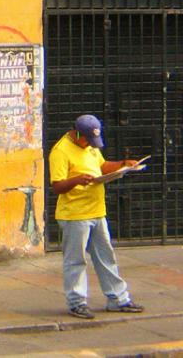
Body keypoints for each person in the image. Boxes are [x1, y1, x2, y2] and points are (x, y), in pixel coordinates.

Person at [49, 114, 144, 319]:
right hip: (75, 215)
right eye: (87, 141)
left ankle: (118, 299)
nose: (90, 145)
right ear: (77, 134)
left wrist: (123, 165)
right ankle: (77, 302)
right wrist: (76, 180)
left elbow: (101, 166)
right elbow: (57, 186)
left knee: (106, 257)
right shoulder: (60, 151)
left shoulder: (91, 146)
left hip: (97, 211)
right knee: (75, 260)